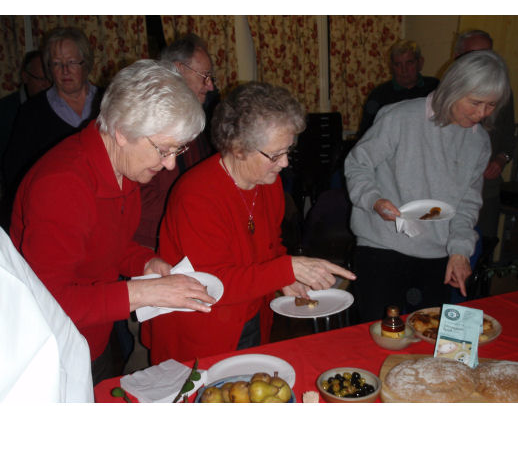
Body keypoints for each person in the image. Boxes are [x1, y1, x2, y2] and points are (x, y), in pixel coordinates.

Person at [10, 60, 216, 385]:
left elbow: (108, 245)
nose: (169, 165)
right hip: (51, 351)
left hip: (92, 336)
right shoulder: (62, 185)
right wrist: (145, 292)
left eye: (177, 150)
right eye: (163, 149)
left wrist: (145, 262)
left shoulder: (124, 168)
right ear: (121, 131)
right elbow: (50, 301)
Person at [142, 81, 357, 364]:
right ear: (238, 148)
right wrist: (286, 269)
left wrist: (288, 278)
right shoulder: (197, 196)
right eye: (275, 154)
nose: (284, 163)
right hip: (202, 329)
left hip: (250, 313)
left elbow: (270, 246)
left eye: (288, 151)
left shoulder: (268, 183)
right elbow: (214, 283)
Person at [345, 50, 510, 324]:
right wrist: (373, 199)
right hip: (382, 248)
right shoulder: (401, 117)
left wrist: (460, 251)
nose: (481, 113)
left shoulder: (478, 141)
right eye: (475, 102)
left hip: (436, 255)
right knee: (379, 336)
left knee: (426, 339)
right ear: (454, 88)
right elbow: (357, 164)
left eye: (491, 105)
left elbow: (467, 205)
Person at [2, 27, 103, 229]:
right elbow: (15, 170)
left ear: (86, 63)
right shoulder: (32, 111)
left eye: (71, 62)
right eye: (57, 63)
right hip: (52, 210)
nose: (65, 70)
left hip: (101, 206)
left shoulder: (108, 102)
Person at [134, 33, 216, 249]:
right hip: (153, 244)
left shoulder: (195, 121)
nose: (210, 86)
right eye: (204, 76)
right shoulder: (150, 122)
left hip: (188, 232)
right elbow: (140, 202)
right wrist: (197, 214)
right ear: (179, 70)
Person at [0, 228, 93, 402]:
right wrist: (135, 294)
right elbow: (55, 296)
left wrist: (142, 262)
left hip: (83, 346)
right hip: (76, 335)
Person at [454, 29, 517, 243]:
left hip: (486, 191)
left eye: (488, 55)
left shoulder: (503, 92)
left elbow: (508, 139)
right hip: (451, 190)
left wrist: (501, 159)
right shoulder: (446, 93)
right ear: (458, 57)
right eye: (475, 56)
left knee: (483, 246)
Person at [0, 50, 51, 230]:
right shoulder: (5, 111)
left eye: (49, 79)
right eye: (41, 79)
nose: (47, 85)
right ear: (25, 77)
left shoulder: (54, 105)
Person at [357, 39, 439, 138]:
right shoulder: (379, 95)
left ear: (420, 63)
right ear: (391, 67)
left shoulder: (436, 88)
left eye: (409, 63)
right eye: (398, 65)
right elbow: (366, 135)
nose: (404, 70)